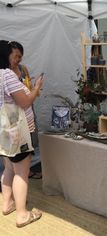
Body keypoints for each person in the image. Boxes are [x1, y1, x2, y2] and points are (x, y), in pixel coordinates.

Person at [0, 40, 43, 227]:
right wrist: (37, 87)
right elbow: (25, 102)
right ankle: (22, 215)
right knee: (21, 173)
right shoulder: (7, 75)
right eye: (12, 53)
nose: (15, 58)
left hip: (4, 130)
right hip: (18, 130)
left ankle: (7, 203)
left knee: (9, 167)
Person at [9, 41, 41, 179]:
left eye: (20, 56)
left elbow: (29, 90)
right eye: (15, 56)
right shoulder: (6, 73)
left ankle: (24, 172)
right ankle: (20, 176)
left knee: (31, 142)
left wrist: (33, 88)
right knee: (17, 150)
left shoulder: (23, 69)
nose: (18, 59)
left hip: (28, 110)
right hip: (15, 116)